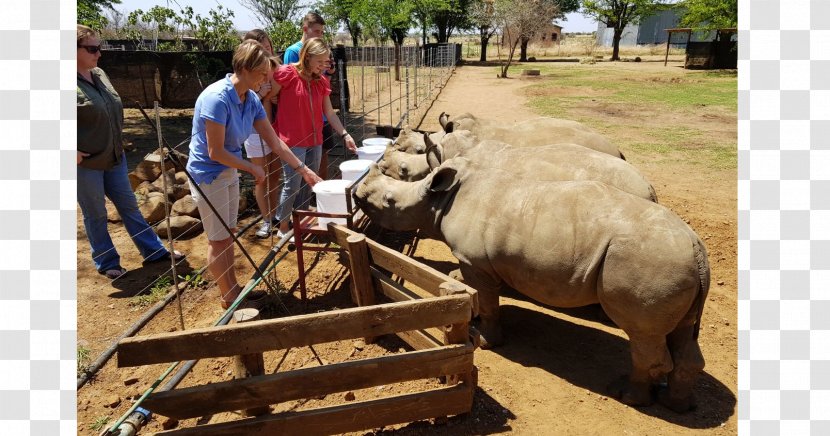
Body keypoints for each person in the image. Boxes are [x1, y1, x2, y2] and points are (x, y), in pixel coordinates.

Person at [187, 40, 322, 309]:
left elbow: (275, 142)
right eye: (262, 74)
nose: (267, 80)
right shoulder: (217, 99)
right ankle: (229, 298)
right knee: (218, 238)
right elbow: (215, 151)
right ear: (245, 68)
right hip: (207, 175)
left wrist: (303, 169)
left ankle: (234, 289)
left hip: (228, 171)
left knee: (229, 233)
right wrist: (251, 167)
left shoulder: (250, 99)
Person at [76, 24, 184, 280]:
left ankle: (153, 250)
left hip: (114, 156)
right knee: (96, 214)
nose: (98, 53)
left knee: (130, 206)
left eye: (99, 48)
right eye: (92, 48)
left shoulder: (99, 74)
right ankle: (106, 260)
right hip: (85, 164)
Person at [272, 37, 357, 240]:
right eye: (319, 62)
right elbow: (269, 98)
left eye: (325, 62)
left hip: (315, 140)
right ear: (307, 57)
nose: (323, 66)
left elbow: (329, 112)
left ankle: (300, 222)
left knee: (307, 183)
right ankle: (282, 226)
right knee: (291, 185)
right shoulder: (286, 74)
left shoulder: (321, 81)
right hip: (291, 141)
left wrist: (345, 134)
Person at [283, 11, 339, 179]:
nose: (320, 35)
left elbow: (320, 84)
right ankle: (306, 198)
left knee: (323, 154)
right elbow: (291, 88)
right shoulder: (293, 52)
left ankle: (318, 191)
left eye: (322, 32)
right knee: (299, 170)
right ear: (305, 29)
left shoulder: (321, 51)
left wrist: (329, 73)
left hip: (320, 114)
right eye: (317, 31)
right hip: (302, 121)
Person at [241, 29, 283, 238]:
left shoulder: (274, 67)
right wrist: (262, 94)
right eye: (262, 48)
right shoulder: (249, 76)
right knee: (260, 177)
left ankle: (274, 214)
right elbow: (249, 99)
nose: (267, 50)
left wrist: (272, 96)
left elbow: (278, 91)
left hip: (274, 129)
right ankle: (266, 219)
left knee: (275, 174)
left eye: (268, 47)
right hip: (253, 132)